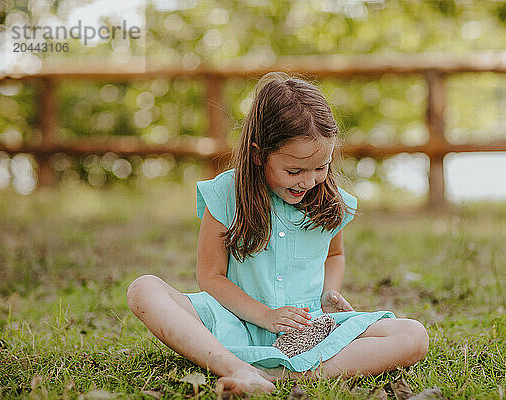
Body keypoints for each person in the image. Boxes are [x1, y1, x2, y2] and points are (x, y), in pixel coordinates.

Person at [126, 72, 429, 395]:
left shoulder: (328, 200)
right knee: (143, 289)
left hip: (307, 331)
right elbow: (210, 276)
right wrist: (267, 316)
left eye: (321, 167)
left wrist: (329, 296)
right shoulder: (226, 194)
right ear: (258, 154)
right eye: (294, 170)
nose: (308, 181)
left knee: (413, 335)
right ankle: (235, 368)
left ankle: (284, 378)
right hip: (233, 323)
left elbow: (334, 255)